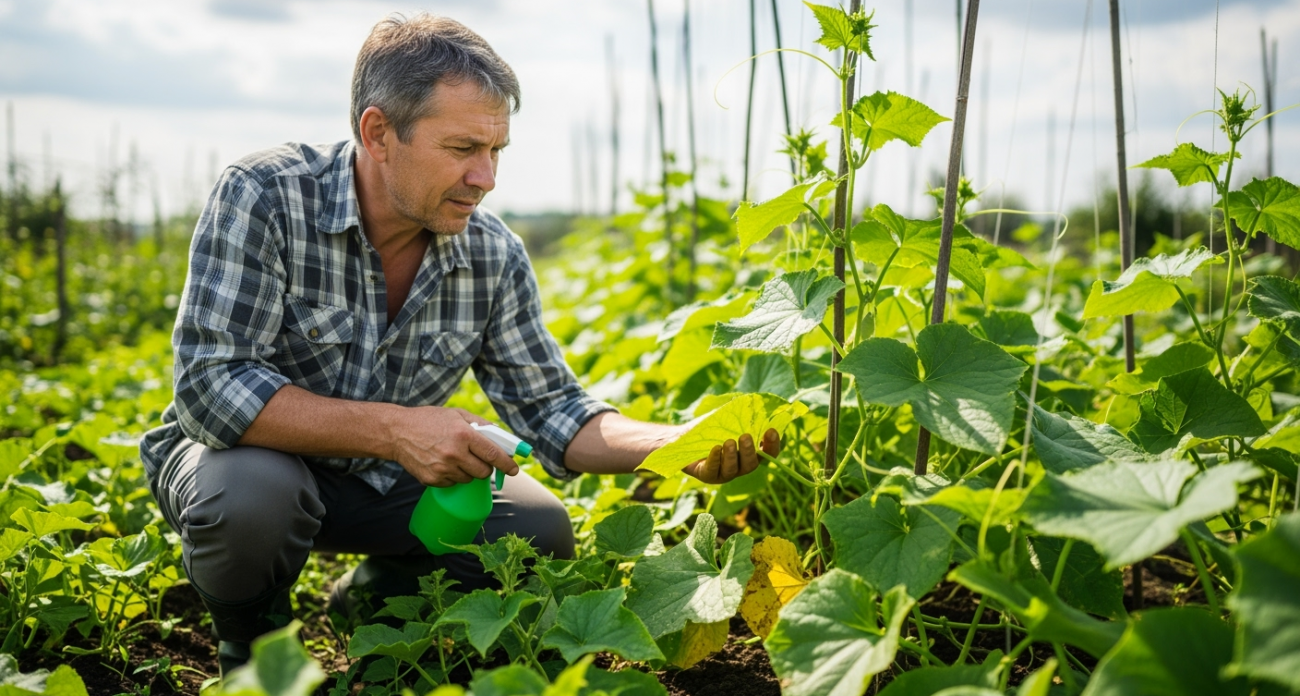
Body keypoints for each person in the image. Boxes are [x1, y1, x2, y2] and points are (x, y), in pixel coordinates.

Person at [138, 13, 779, 675]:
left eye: (496, 150)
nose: (486, 176)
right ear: (378, 133)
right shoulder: (267, 195)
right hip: (251, 466)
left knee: (536, 528)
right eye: (462, 148)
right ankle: (256, 649)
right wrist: (396, 431)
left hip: (379, 489)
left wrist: (677, 445)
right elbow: (212, 388)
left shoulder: (491, 254)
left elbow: (553, 410)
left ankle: (376, 601)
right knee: (250, 498)